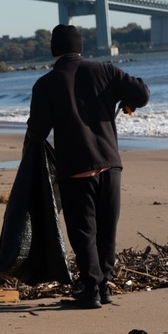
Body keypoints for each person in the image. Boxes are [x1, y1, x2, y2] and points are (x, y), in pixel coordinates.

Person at [26, 24, 150, 309]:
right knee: (107, 230)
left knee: (84, 233)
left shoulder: (46, 84)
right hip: (110, 166)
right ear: (80, 48)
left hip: (76, 171)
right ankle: (104, 287)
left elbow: (38, 132)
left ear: (54, 50)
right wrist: (125, 101)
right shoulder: (106, 71)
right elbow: (142, 94)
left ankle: (91, 290)